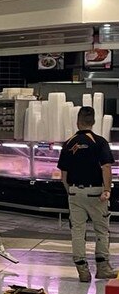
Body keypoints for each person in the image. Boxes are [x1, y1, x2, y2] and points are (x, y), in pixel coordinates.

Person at [57, 106, 117, 282]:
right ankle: (103, 267)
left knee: (77, 231)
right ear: (94, 122)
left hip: (75, 192)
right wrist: (107, 190)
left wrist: (71, 192)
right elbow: (106, 167)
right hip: (96, 193)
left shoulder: (68, 143)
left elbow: (63, 175)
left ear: (77, 121)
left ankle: (82, 271)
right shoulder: (100, 142)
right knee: (101, 230)